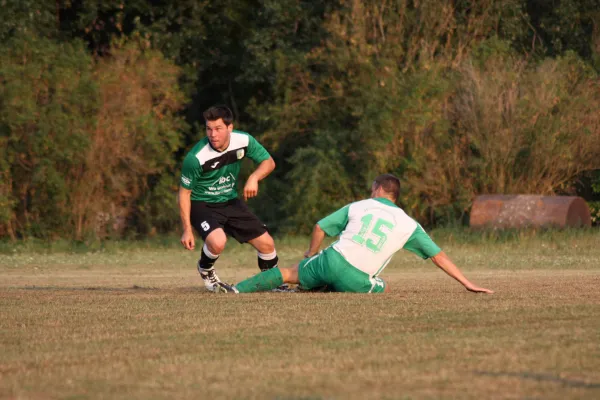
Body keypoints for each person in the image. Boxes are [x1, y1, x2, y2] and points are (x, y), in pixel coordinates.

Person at [217, 174, 494, 294]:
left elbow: (319, 227)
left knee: (290, 274)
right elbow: (438, 256)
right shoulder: (409, 224)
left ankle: (238, 290)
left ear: (377, 189)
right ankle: (330, 283)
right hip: (356, 279)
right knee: (383, 284)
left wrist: (310, 256)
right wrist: (467, 283)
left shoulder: (359, 205)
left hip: (331, 260)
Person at [178, 105, 286, 292]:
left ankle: (272, 283)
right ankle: (205, 268)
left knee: (267, 244)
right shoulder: (195, 158)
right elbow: (184, 193)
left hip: (229, 200)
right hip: (202, 203)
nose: (212, 134)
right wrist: (187, 229)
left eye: (218, 128)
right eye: (208, 129)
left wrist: (254, 178)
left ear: (230, 128)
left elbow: (269, 162)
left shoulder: (243, 140)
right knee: (218, 241)